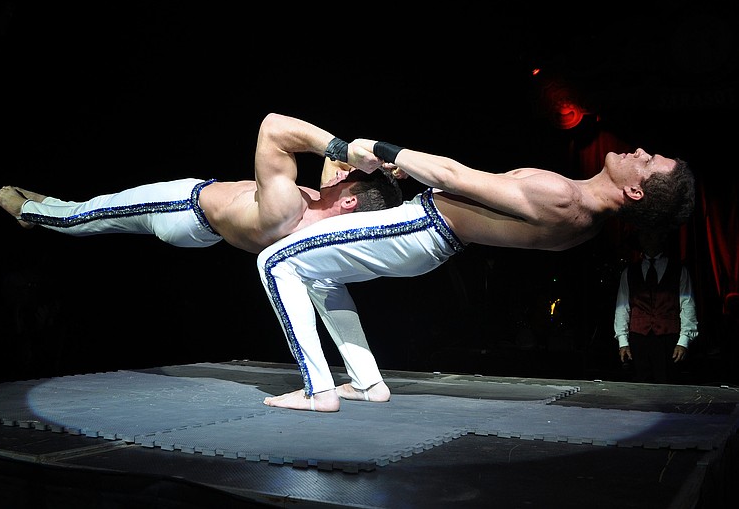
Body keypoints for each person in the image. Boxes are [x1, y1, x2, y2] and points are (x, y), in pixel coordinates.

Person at [256, 140, 696, 411]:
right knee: (320, 277)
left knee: (274, 261)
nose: (639, 151)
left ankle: (318, 390)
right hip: (429, 234)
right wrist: (414, 169)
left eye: (648, 160)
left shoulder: (564, 197)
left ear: (635, 191)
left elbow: (455, 176)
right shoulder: (587, 215)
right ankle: (367, 382)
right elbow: (472, 192)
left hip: (420, 225)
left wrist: (380, 149)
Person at [0, 113, 402, 254]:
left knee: (95, 213)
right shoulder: (326, 219)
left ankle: (30, 211)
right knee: (97, 209)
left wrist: (346, 151)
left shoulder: (288, 209)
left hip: (181, 207)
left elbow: (275, 127)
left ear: (349, 201)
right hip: (204, 229)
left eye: (349, 180)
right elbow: (340, 163)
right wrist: (386, 165)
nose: (345, 173)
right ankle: (53, 208)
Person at [613, 228, 698, 384]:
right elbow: (622, 307)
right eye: (644, 234)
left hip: (668, 338)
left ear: (662, 237)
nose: (647, 238)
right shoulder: (629, 271)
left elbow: (687, 305)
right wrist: (623, 342)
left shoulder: (679, 270)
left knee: (667, 385)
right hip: (639, 338)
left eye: (651, 233)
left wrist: (684, 341)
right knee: (641, 387)